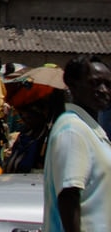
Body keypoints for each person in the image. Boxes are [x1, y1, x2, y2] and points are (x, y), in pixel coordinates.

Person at [43, 55, 111, 232]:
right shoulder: (72, 130)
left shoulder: (91, 130)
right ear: (73, 85)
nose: (104, 90)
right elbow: (69, 195)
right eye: (95, 83)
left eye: (108, 84)